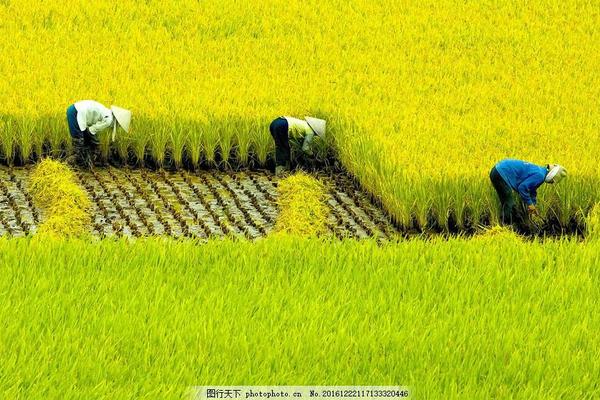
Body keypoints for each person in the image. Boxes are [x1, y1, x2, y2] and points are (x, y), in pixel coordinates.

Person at [489, 159, 567, 225]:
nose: (552, 183)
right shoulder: (540, 175)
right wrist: (530, 204)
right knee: (509, 204)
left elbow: (532, 190)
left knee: (507, 203)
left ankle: (505, 225)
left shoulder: (540, 171)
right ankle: (504, 227)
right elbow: (522, 188)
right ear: (552, 176)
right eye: (553, 181)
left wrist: (533, 205)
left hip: (497, 170)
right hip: (500, 173)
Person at [66, 100, 132, 168]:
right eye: (119, 125)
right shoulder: (108, 120)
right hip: (75, 113)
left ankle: (81, 164)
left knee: (84, 142)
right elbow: (91, 131)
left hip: (74, 109)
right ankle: (68, 164)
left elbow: (90, 131)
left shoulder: (106, 112)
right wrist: (96, 144)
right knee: (79, 144)